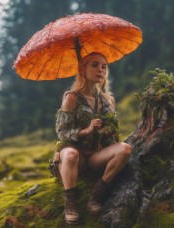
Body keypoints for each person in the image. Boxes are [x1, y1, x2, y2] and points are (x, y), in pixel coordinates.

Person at [49, 52, 133, 225]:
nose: (100, 70)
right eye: (94, 65)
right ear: (83, 69)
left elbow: (114, 129)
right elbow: (62, 132)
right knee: (70, 154)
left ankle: (97, 193)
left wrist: (107, 130)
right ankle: (70, 203)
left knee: (125, 149)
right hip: (75, 157)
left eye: (103, 66)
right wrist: (86, 131)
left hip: (96, 156)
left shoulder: (107, 100)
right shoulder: (71, 97)